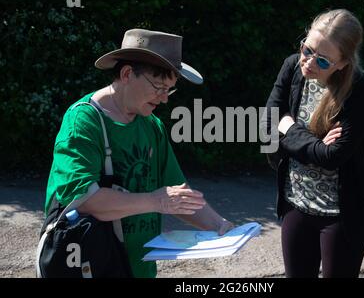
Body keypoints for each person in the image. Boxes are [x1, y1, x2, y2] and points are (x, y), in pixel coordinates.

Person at [44, 29, 233, 278]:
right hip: (89, 267)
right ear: (126, 74)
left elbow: (177, 193)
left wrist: (220, 226)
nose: (164, 99)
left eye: (170, 90)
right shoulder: (83, 121)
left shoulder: (152, 126)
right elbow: (86, 200)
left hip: (139, 270)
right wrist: (156, 201)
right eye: (159, 87)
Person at [263, 9, 364, 278]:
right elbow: (267, 126)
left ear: (342, 63)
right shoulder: (292, 67)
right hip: (296, 202)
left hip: (340, 216)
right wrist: (313, 143)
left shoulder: (359, 88)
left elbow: (332, 157)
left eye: (322, 61)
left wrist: (288, 128)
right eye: (307, 49)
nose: (308, 62)